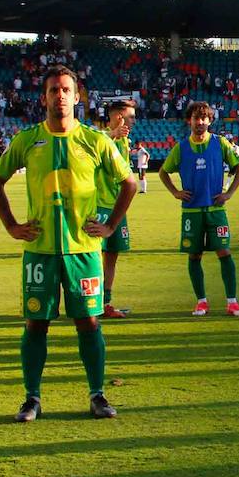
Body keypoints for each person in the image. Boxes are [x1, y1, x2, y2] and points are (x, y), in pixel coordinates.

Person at [0, 65, 136, 422]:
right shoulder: (27, 140)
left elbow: (128, 183)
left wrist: (111, 224)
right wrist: (11, 225)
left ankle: (97, 395)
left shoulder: (95, 141)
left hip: (83, 251)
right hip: (39, 250)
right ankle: (31, 398)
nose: (60, 96)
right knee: (36, 324)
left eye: (66, 90)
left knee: (89, 322)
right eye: (53, 90)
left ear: (77, 96)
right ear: (44, 98)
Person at [159, 102, 239, 317]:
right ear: (188, 121)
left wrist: (228, 194)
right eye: (195, 118)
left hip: (216, 210)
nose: (199, 122)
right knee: (194, 256)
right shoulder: (181, 147)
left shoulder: (220, 143)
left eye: (204, 118)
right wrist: (175, 192)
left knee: (224, 252)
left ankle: (232, 302)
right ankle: (201, 302)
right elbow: (164, 172)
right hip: (191, 211)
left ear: (210, 121)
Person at [96, 100, 137, 319]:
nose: (133, 121)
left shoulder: (125, 141)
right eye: (130, 117)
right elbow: (93, 146)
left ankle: (106, 303)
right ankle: (90, 303)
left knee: (112, 256)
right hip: (100, 206)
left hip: (118, 207)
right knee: (93, 256)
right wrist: (113, 134)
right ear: (119, 117)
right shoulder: (100, 136)